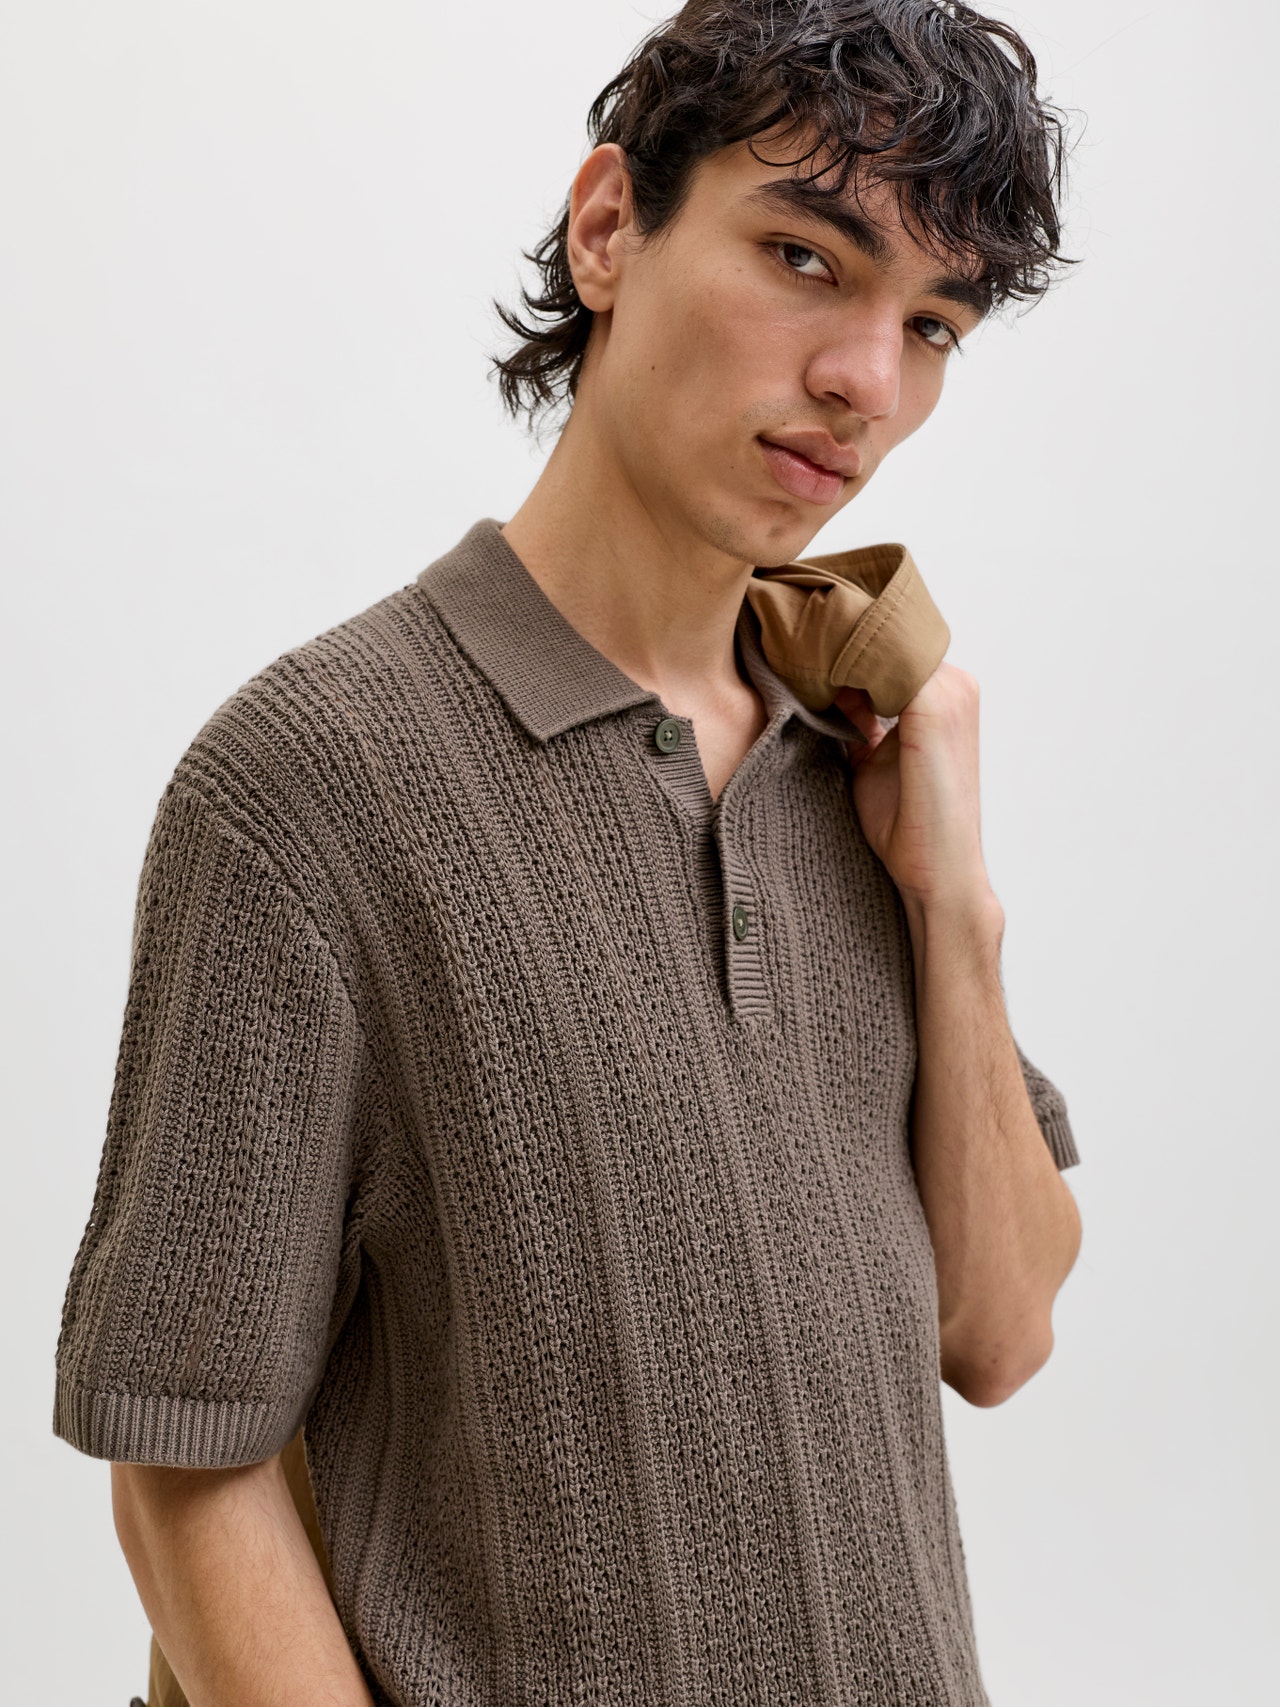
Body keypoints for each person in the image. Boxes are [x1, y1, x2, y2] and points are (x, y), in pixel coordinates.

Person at [52, 2, 1084, 1703]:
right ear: (610, 227)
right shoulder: (308, 783)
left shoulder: (859, 750)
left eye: (933, 324)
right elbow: (182, 1456)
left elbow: (1004, 1329)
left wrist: (953, 909)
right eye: (806, 258)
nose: (867, 382)